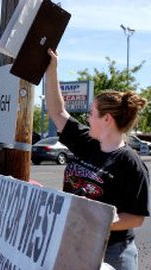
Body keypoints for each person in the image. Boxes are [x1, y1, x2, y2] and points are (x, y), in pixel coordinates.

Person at [45, 49, 150, 270]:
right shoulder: (86, 141)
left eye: (92, 113)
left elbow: (136, 217)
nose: (87, 118)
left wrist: (96, 222)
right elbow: (57, 111)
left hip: (112, 253)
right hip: (76, 243)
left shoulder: (131, 164)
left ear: (107, 119)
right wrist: (51, 69)